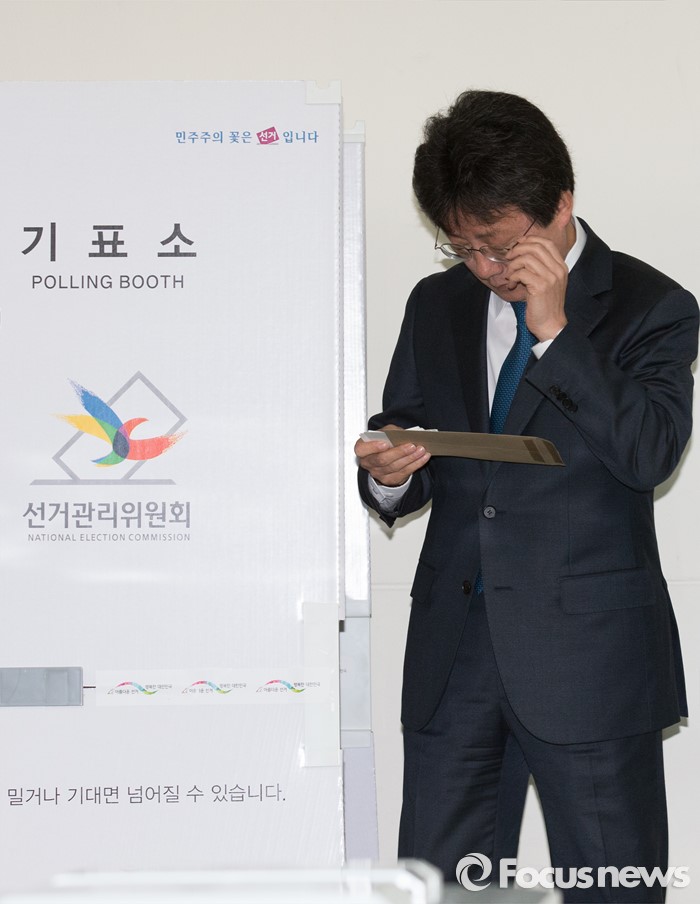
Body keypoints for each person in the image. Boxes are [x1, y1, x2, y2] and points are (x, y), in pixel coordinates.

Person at [355, 90, 698, 903]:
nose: (484, 268)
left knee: (612, 885)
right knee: (440, 888)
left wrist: (557, 334)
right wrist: (389, 472)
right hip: (454, 654)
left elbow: (650, 453)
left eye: (501, 244)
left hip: (590, 659)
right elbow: (409, 431)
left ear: (560, 206)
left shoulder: (652, 305)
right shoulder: (436, 304)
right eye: (462, 246)